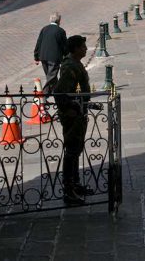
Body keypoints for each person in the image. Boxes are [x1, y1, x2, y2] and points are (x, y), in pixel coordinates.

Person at [54, 35, 97, 206]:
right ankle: (68, 190)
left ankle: (76, 184)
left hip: (79, 113)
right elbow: (59, 92)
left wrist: (84, 103)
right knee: (72, 151)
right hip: (72, 116)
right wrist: (73, 107)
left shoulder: (74, 63)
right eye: (83, 47)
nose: (86, 49)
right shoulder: (70, 66)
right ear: (76, 49)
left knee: (77, 149)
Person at [33, 13, 67, 94]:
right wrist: (66, 57)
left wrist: (36, 57)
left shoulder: (44, 29)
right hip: (54, 58)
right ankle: (43, 96)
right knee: (51, 77)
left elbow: (39, 43)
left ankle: (59, 94)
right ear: (59, 21)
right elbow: (64, 46)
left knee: (51, 77)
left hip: (43, 57)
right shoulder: (60, 31)